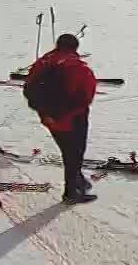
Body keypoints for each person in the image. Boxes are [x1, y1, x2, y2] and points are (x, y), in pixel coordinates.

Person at [22, 33, 99, 203]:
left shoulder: (42, 62)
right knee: (74, 154)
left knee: (67, 150)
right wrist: (67, 112)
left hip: (49, 119)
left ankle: (77, 179)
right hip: (73, 119)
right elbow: (86, 97)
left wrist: (47, 113)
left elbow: (28, 89)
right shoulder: (78, 68)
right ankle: (71, 193)